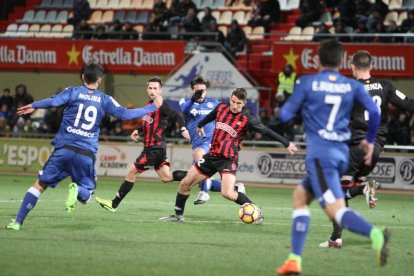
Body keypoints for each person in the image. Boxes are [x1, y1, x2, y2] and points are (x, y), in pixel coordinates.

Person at [276, 40, 389, 275]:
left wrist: (291, 111)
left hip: (321, 155)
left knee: (335, 210)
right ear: (341, 62)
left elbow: (285, 114)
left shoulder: (307, 82)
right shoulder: (352, 86)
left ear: (318, 60)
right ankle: (294, 259)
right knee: (300, 197)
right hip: (340, 153)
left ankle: (375, 234)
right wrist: (369, 139)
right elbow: (376, 112)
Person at [5, 63, 162, 230]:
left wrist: (34, 105)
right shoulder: (104, 99)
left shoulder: (72, 91)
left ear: (82, 77)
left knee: (39, 185)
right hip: (85, 153)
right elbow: (125, 114)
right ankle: (77, 189)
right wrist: (153, 107)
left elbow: (53, 101)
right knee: (86, 195)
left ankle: (17, 222)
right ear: (99, 80)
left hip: (63, 149)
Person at [319, 50, 414, 249]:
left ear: (352, 66)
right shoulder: (386, 86)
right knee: (344, 193)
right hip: (376, 148)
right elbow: (408, 104)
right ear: (371, 66)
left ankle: (361, 193)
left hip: (355, 147)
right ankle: (337, 235)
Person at [160, 88, 297, 223]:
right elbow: (211, 115)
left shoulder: (247, 119)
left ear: (244, 103)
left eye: (238, 103)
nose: (235, 106)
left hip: (228, 159)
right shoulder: (221, 108)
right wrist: (201, 124)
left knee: (227, 193)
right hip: (212, 156)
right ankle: (177, 216)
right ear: (230, 99)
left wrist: (286, 143)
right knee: (185, 183)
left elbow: (267, 131)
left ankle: (255, 210)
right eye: (233, 101)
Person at [95, 77, 191, 212]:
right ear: (147, 89)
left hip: (154, 148)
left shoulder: (162, 105)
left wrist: (182, 128)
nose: (152, 91)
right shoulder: (149, 104)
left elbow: (177, 116)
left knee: (131, 172)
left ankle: (113, 204)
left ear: (160, 90)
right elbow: (149, 121)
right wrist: (138, 130)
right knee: (166, 177)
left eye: (155, 88)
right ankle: (198, 176)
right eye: (150, 88)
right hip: (156, 148)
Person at [179, 75, 239, 205]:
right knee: (196, 180)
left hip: (210, 142)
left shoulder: (214, 103)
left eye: (203, 90)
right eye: (197, 90)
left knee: (199, 154)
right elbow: (184, 112)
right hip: (196, 143)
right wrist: (183, 127)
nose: (201, 93)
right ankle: (236, 189)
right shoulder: (185, 102)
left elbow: (228, 116)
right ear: (191, 90)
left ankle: (204, 194)